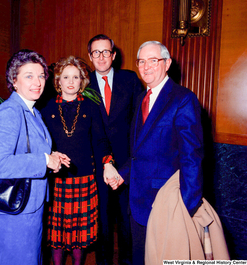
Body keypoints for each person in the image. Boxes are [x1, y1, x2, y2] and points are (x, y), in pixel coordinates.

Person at [111, 41, 204, 265]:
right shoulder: (143, 97)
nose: (146, 66)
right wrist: (122, 173)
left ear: (167, 63)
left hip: (166, 202)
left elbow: (192, 158)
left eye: (153, 60)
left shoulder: (183, 99)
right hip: (137, 201)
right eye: (141, 61)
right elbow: (139, 151)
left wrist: (186, 207)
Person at [0, 49, 70, 265]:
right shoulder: (9, 111)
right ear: (14, 80)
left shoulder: (32, 110)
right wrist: (43, 160)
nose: (38, 82)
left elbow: (27, 149)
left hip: (28, 205)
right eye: (29, 76)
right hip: (12, 213)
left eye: (41, 75)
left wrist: (51, 157)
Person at [41, 55, 120, 265]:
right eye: (65, 77)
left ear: (82, 81)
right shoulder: (46, 108)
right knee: (57, 235)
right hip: (56, 180)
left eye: (75, 77)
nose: (70, 81)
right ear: (58, 81)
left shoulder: (91, 106)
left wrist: (108, 162)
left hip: (84, 179)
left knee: (79, 238)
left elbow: (101, 139)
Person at [87, 34, 144, 265]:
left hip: (126, 162)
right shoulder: (82, 82)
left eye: (106, 52)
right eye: (96, 52)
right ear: (90, 56)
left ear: (114, 54)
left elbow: (140, 119)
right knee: (102, 221)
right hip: (95, 163)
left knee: (126, 220)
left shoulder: (129, 79)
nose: (101, 57)